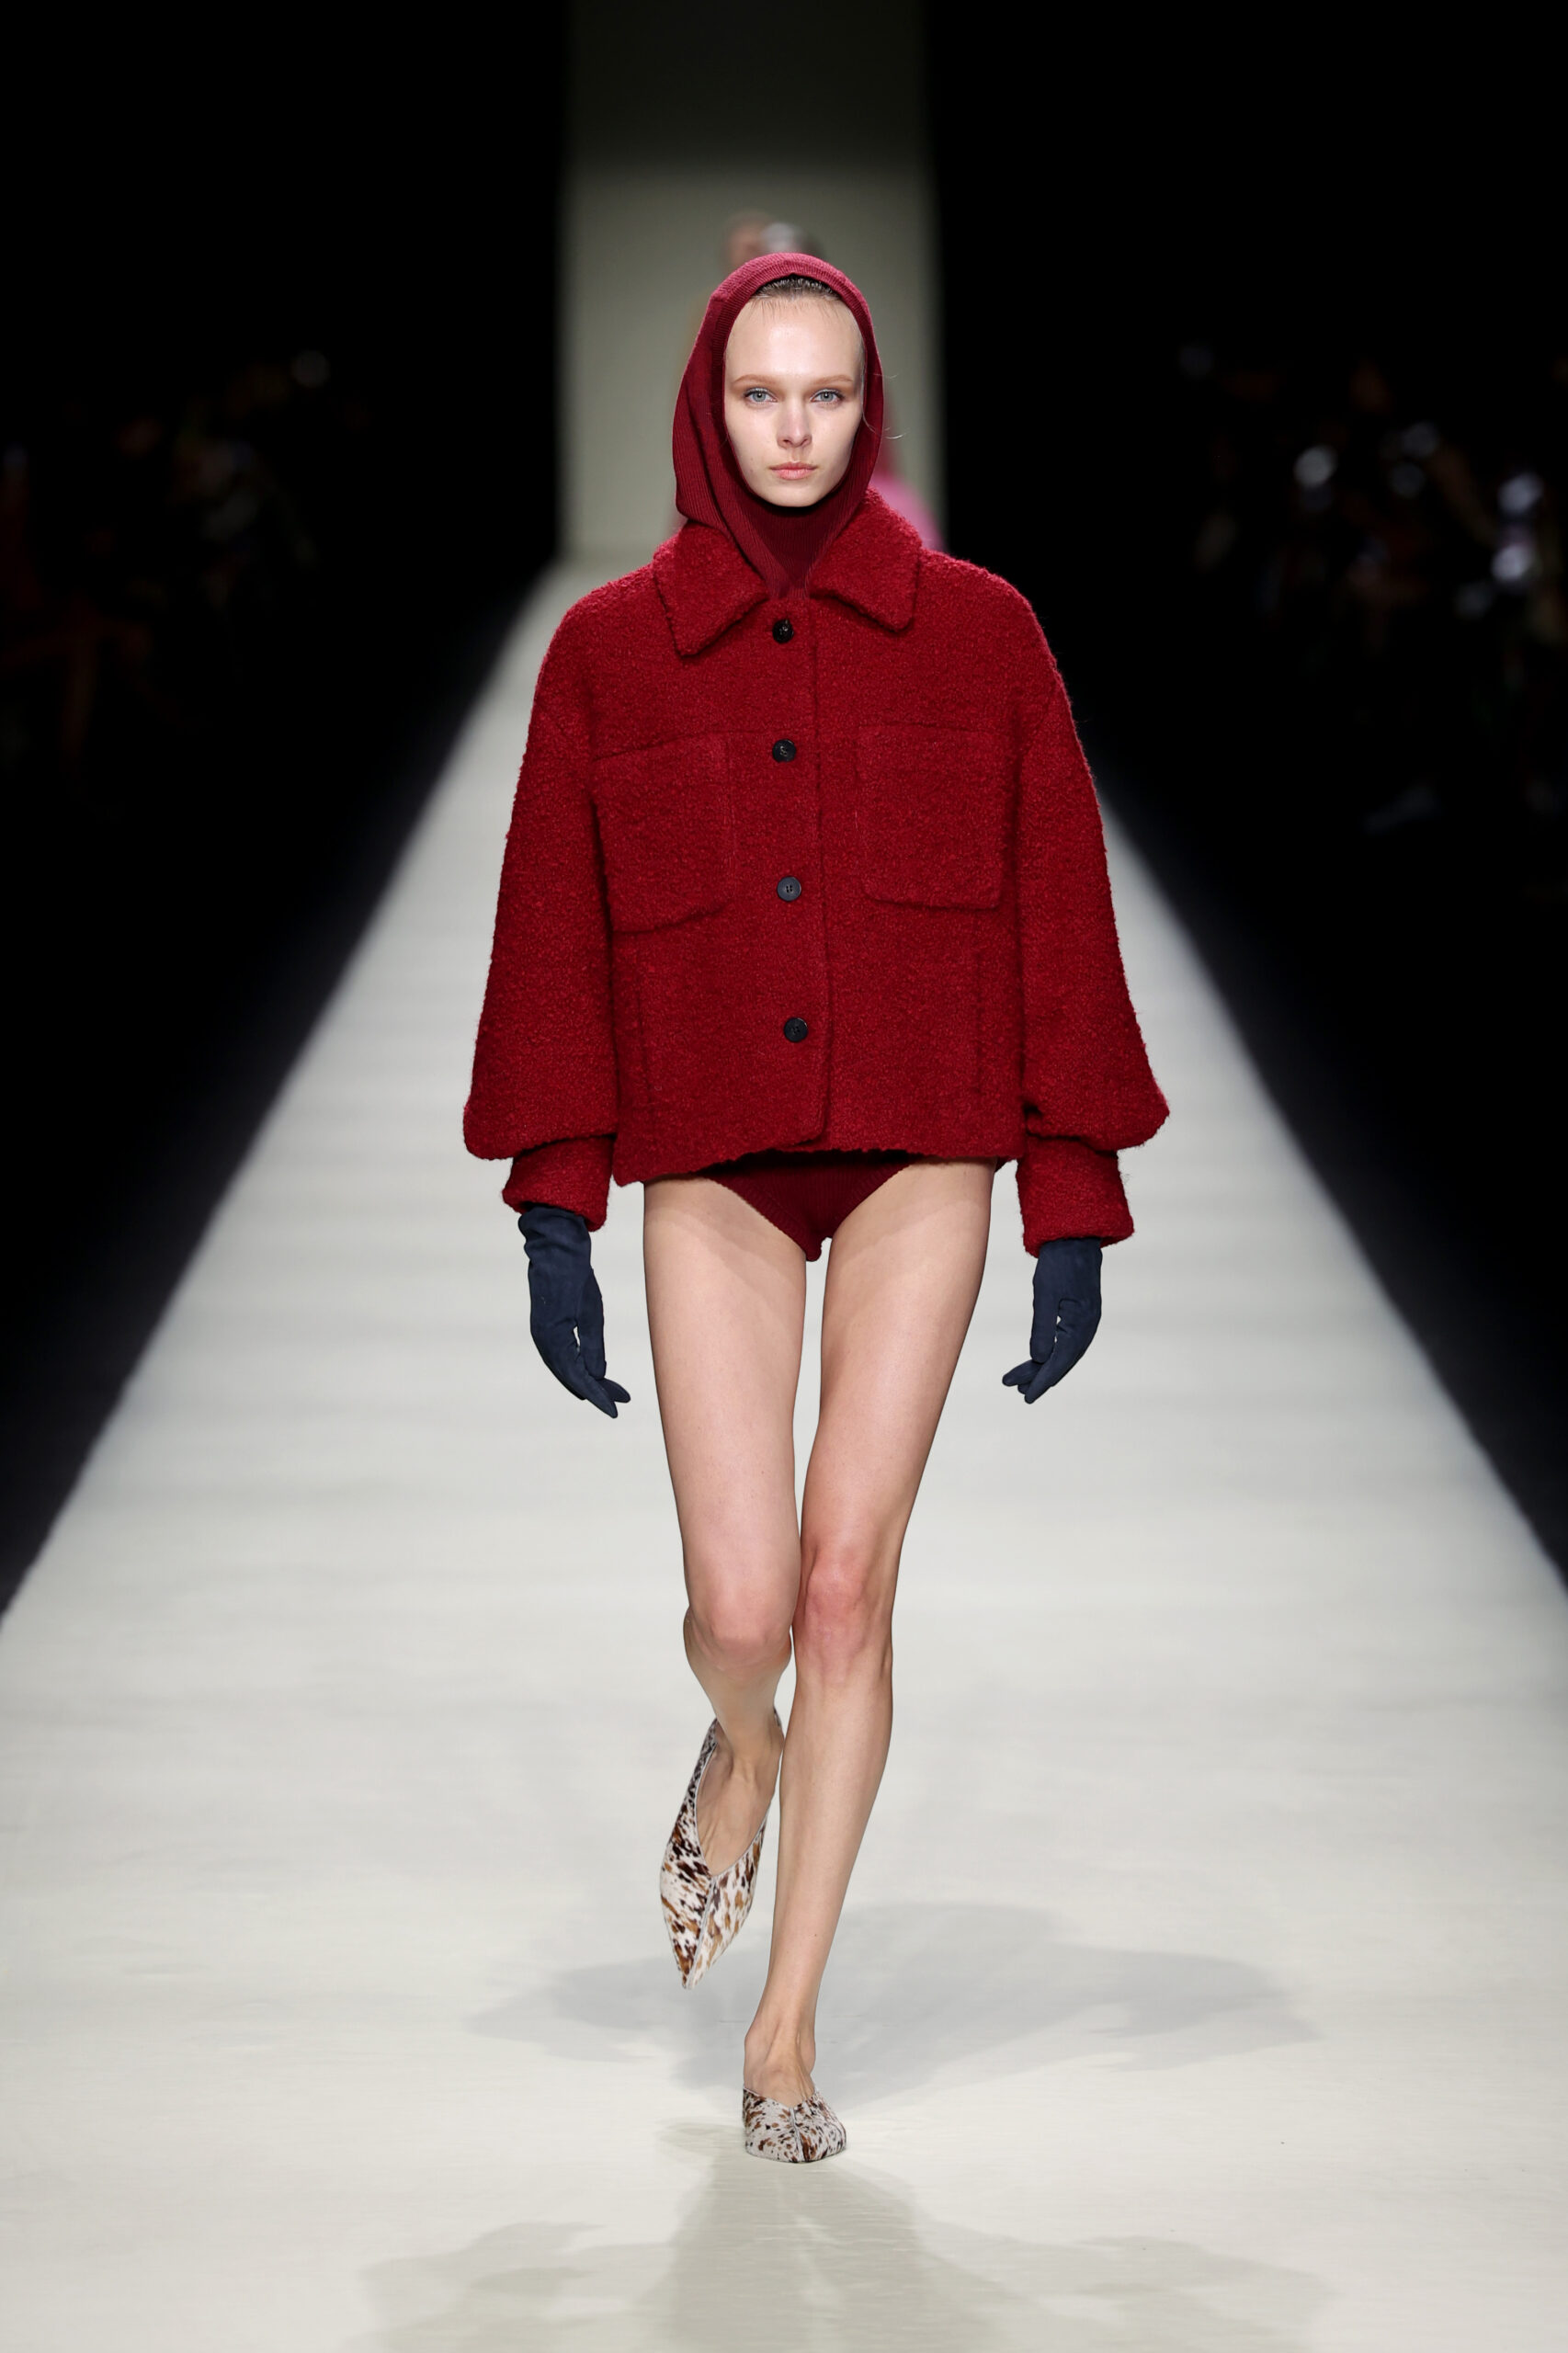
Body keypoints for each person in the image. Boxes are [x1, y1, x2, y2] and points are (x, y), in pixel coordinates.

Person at [465, 256, 1167, 2164]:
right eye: (762, 394)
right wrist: (553, 1201)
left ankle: (780, 2035)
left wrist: (1071, 1191)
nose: (794, 429)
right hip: (712, 1157)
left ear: (871, 410)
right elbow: (552, 929)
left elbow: (1055, 909)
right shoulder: (611, 652)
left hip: (922, 1144)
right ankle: (746, 1742)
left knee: (846, 1583)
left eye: (827, 395)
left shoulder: (982, 636)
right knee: (742, 1601)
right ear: (709, 405)